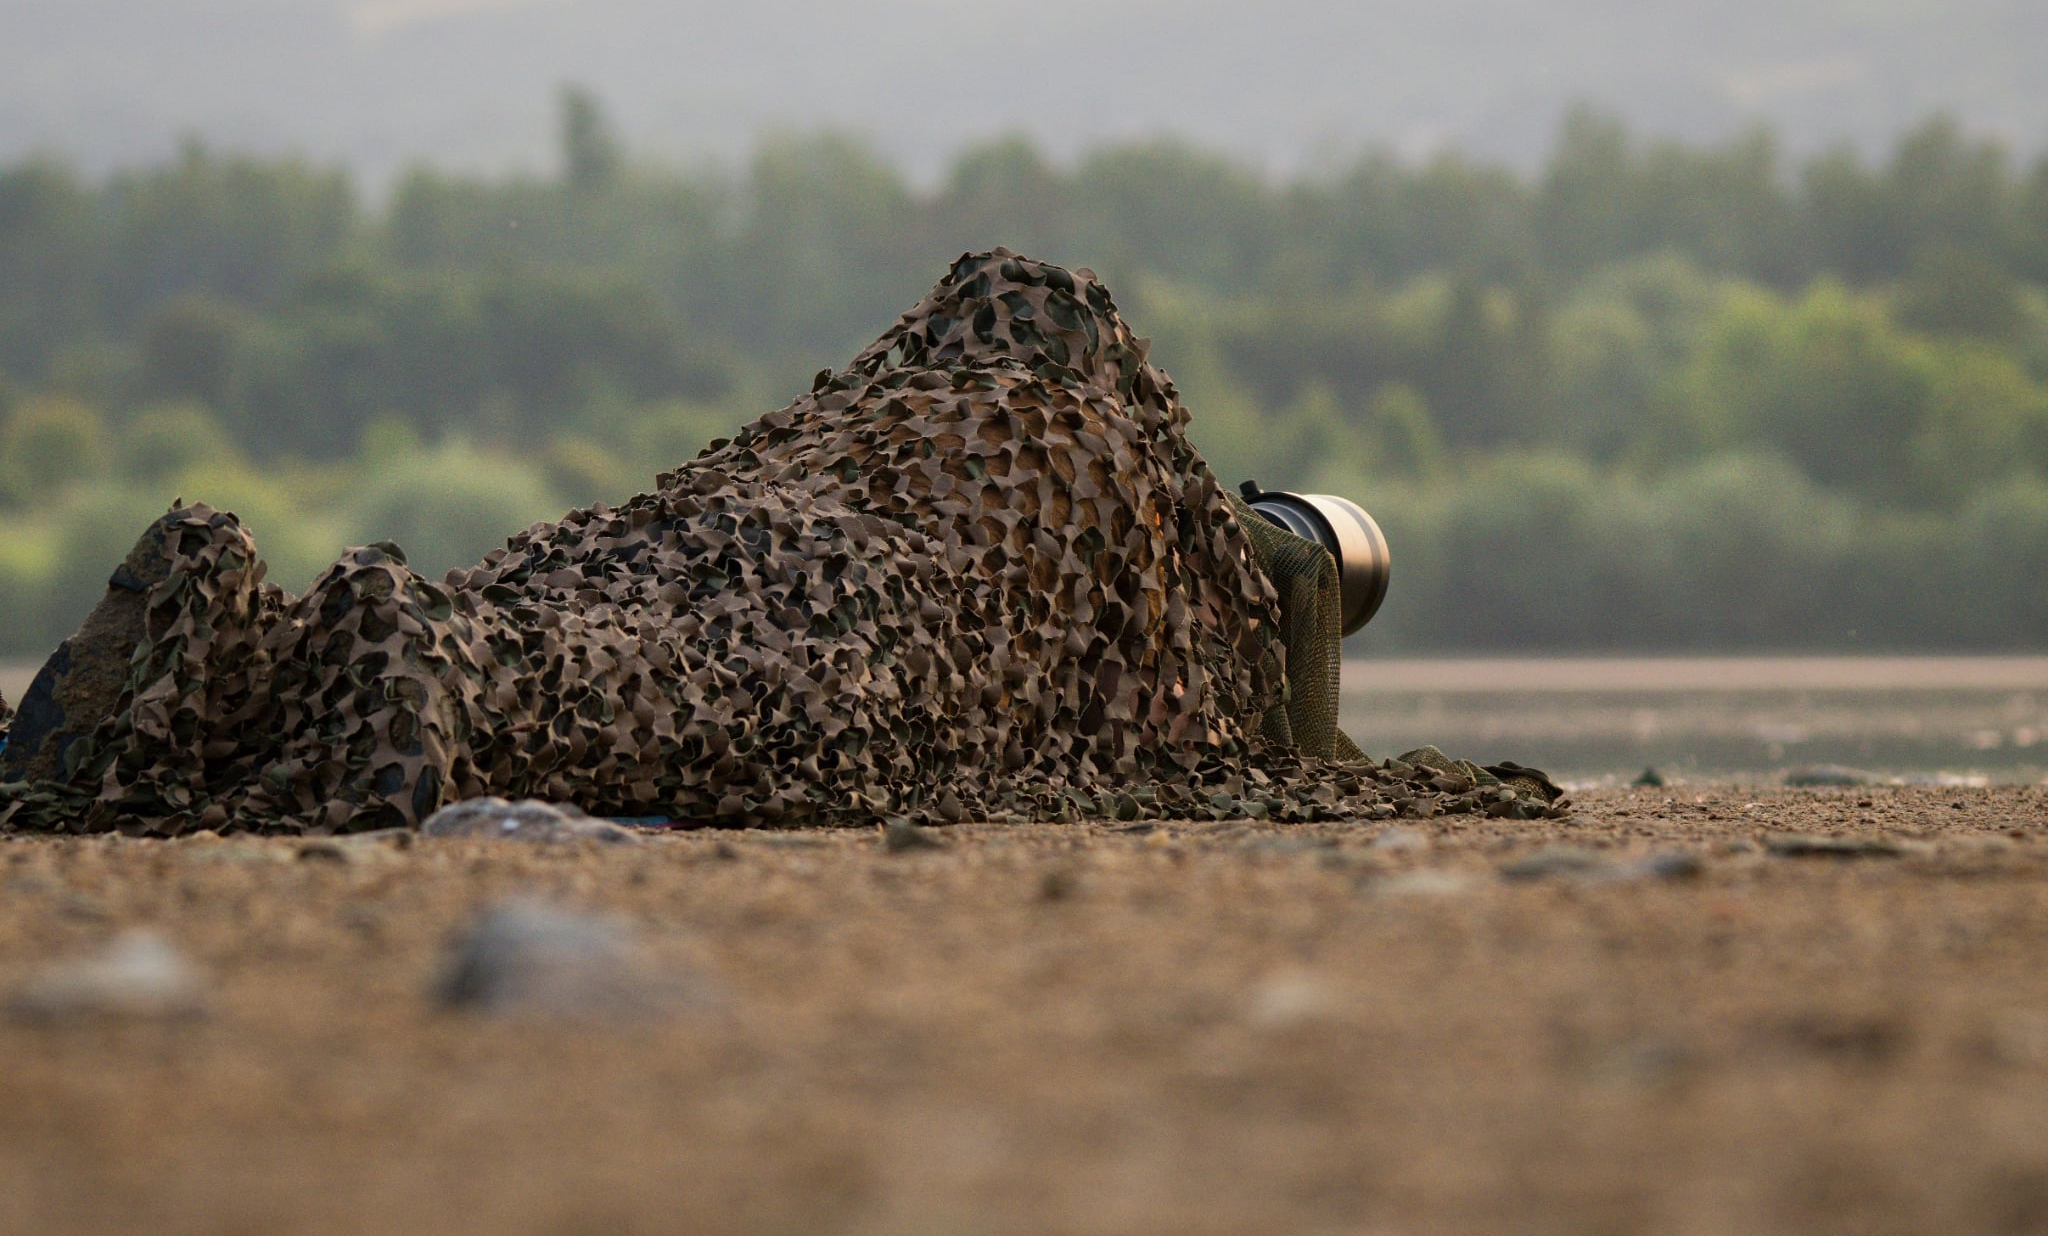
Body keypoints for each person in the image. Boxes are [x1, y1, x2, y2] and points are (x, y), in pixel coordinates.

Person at [0, 250, 1557, 835]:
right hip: (867, 615)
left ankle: (254, 641)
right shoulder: (1173, 547)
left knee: (568, 602)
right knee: (659, 693)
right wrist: (1296, 605)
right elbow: (1303, 730)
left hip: (724, 528)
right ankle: (380, 662)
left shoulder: (933, 410)